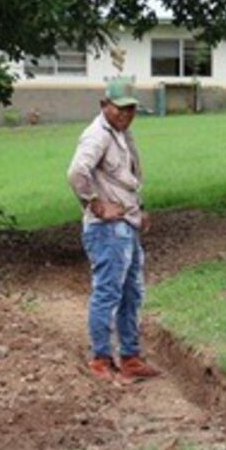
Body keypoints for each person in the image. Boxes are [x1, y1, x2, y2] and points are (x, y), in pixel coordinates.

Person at [66, 79, 163, 384]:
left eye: (131, 108)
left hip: (127, 224)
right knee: (108, 292)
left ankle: (130, 357)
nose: (126, 114)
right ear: (104, 105)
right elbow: (76, 172)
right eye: (120, 108)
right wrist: (95, 204)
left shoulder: (121, 134)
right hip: (108, 229)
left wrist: (139, 207)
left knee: (132, 292)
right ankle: (101, 359)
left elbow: (127, 179)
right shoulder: (97, 135)